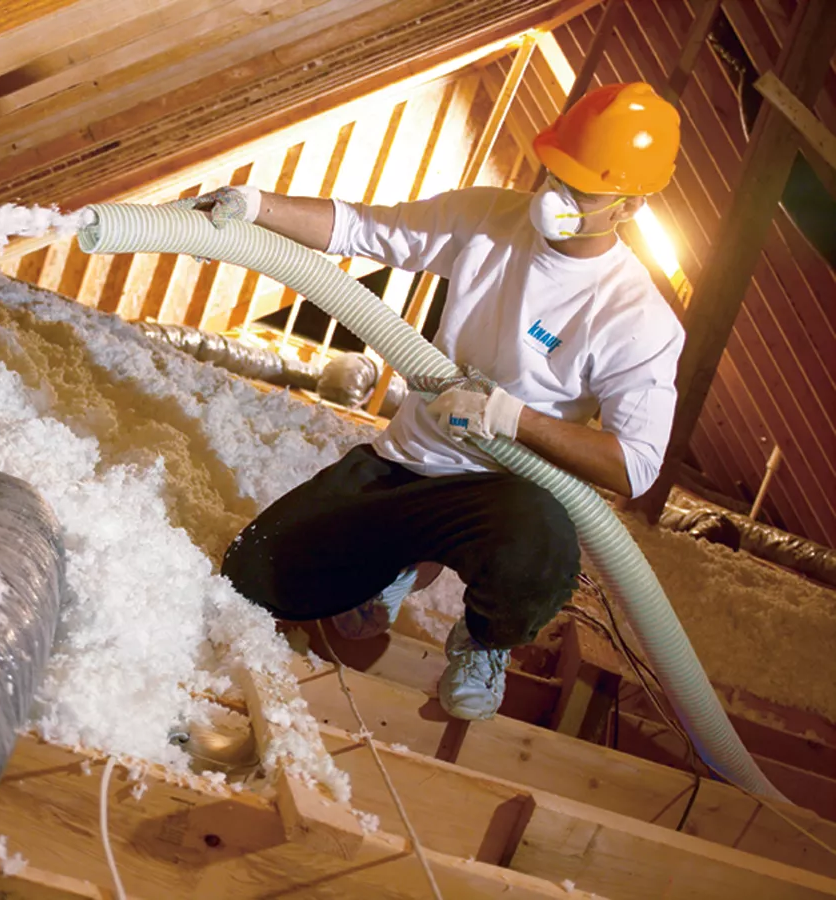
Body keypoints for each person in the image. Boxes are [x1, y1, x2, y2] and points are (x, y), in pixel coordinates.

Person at [194, 82, 685, 721]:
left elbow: (635, 464)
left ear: (630, 206)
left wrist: (510, 417)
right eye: (554, 172)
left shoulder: (635, 317)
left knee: (541, 542)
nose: (556, 197)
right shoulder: (488, 218)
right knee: (252, 576)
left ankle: (484, 642)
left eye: (582, 190)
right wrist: (255, 204)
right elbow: (362, 229)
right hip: (403, 462)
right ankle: (397, 566)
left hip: (498, 493)